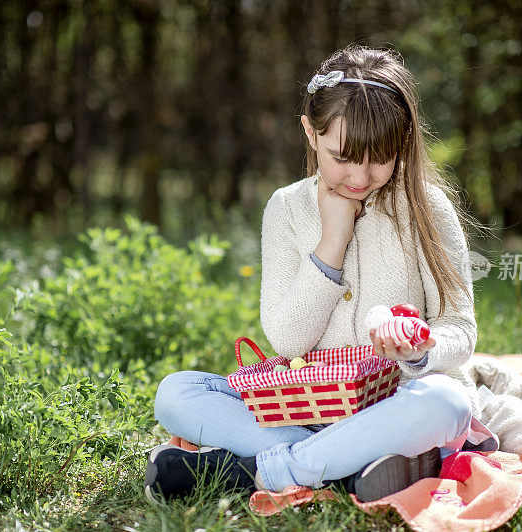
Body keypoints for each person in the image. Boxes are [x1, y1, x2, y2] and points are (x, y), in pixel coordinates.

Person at [145, 43, 483, 503]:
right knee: (176, 392)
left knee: (449, 403)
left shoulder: (425, 208)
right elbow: (288, 341)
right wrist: (333, 239)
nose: (361, 177)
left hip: (398, 406)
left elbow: (460, 327)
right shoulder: (286, 209)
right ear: (310, 132)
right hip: (303, 407)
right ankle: (349, 467)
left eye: (379, 157)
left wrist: (422, 349)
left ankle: (261, 470)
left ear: (402, 141)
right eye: (342, 156)